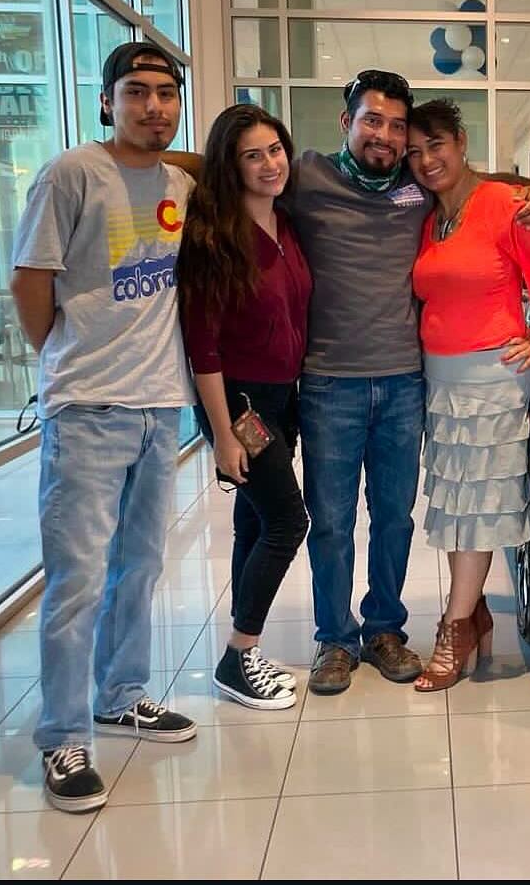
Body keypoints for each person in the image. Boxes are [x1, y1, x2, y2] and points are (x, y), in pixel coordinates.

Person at [288, 72, 530, 695]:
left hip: (406, 381)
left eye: (396, 126)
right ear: (347, 123)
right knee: (331, 520)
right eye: (371, 121)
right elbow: (237, 174)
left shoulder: (416, 189)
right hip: (329, 382)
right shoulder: (307, 178)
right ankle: (334, 638)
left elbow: (475, 182)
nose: (384, 136)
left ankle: (384, 628)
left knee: (394, 517)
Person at [10, 42, 198, 814]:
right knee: (78, 579)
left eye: (166, 93)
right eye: (136, 91)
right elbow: (30, 280)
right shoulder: (69, 174)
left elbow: (219, 164)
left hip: (159, 405)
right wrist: (63, 357)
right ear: (105, 100)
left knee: (141, 565)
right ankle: (62, 734)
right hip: (87, 408)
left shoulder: (180, 183)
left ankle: (121, 695)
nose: (154, 106)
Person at [406, 98, 530, 691]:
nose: (426, 160)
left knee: (479, 504)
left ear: (460, 141)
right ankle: (476, 611)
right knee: (457, 502)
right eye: (415, 152)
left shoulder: (507, 205)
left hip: (492, 376)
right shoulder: (431, 216)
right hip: (441, 379)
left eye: (436, 145)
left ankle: (455, 625)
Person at [177, 104, 311, 711]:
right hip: (240, 406)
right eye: (251, 156)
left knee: (254, 522)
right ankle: (239, 653)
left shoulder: (287, 223)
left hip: (281, 399)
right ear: (230, 166)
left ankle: (243, 648)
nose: (268, 164)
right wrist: (223, 434)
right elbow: (202, 346)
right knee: (287, 522)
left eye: (274, 150)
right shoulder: (213, 239)